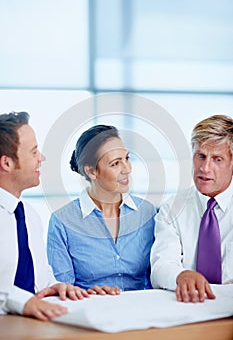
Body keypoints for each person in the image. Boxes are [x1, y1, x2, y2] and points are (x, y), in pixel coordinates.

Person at [0, 111, 91, 321]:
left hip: (37, 325)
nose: (41, 158)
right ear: (7, 163)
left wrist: (54, 286)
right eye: (33, 152)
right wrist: (21, 301)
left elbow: (37, 279)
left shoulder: (29, 216)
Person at [47, 125, 156, 293]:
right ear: (91, 172)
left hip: (141, 309)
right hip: (88, 310)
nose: (127, 169)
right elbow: (62, 288)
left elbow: (156, 277)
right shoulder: (62, 221)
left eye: (127, 158)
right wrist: (86, 295)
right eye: (115, 164)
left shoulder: (147, 213)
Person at [150, 114, 233, 303]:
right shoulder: (172, 208)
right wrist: (182, 276)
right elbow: (161, 266)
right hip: (190, 306)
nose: (205, 168)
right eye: (201, 156)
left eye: (217, 159)